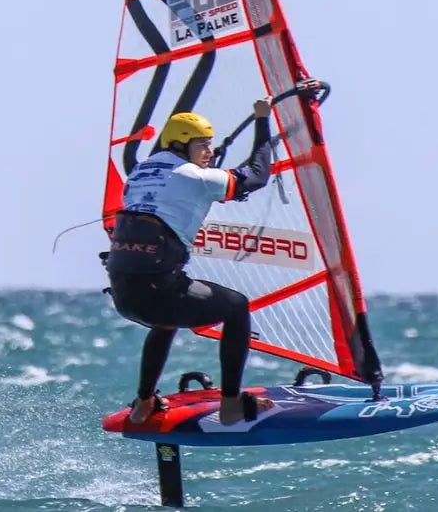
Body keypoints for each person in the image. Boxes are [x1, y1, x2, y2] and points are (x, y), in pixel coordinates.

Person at [104, 90, 298, 426]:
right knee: (236, 305)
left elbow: (172, 185)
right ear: (181, 146)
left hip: (126, 296)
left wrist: (207, 161)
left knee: (166, 318)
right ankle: (231, 404)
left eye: (210, 145)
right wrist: (263, 121)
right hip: (158, 292)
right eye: (202, 145)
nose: (208, 152)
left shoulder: (139, 172)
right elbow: (256, 176)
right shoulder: (196, 177)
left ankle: (145, 401)